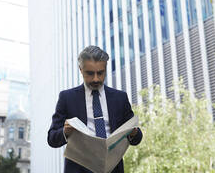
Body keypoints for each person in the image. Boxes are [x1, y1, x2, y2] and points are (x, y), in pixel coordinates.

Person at [47, 45, 143, 173]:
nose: (96, 79)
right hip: (79, 169)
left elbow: (137, 138)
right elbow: (52, 139)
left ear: (106, 69)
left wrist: (134, 133)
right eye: (90, 73)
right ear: (81, 69)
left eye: (100, 73)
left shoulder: (120, 98)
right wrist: (65, 131)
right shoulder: (67, 98)